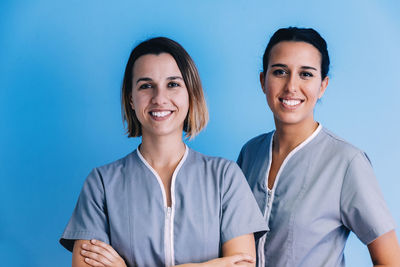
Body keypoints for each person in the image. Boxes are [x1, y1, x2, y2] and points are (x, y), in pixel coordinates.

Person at [60, 37, 267, 267]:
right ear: (131, 98)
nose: (159, 98)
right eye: (146, 86)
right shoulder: (101, 184)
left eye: (173, 84)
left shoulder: (225, 177)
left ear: (191, 93)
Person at [237, 27, 400, 266]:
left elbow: (391, 260)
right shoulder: (250, 153)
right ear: (263, 81)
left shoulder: (346, 162)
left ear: (322, 85)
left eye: (306, 74)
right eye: (280, 72)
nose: (291, 86)